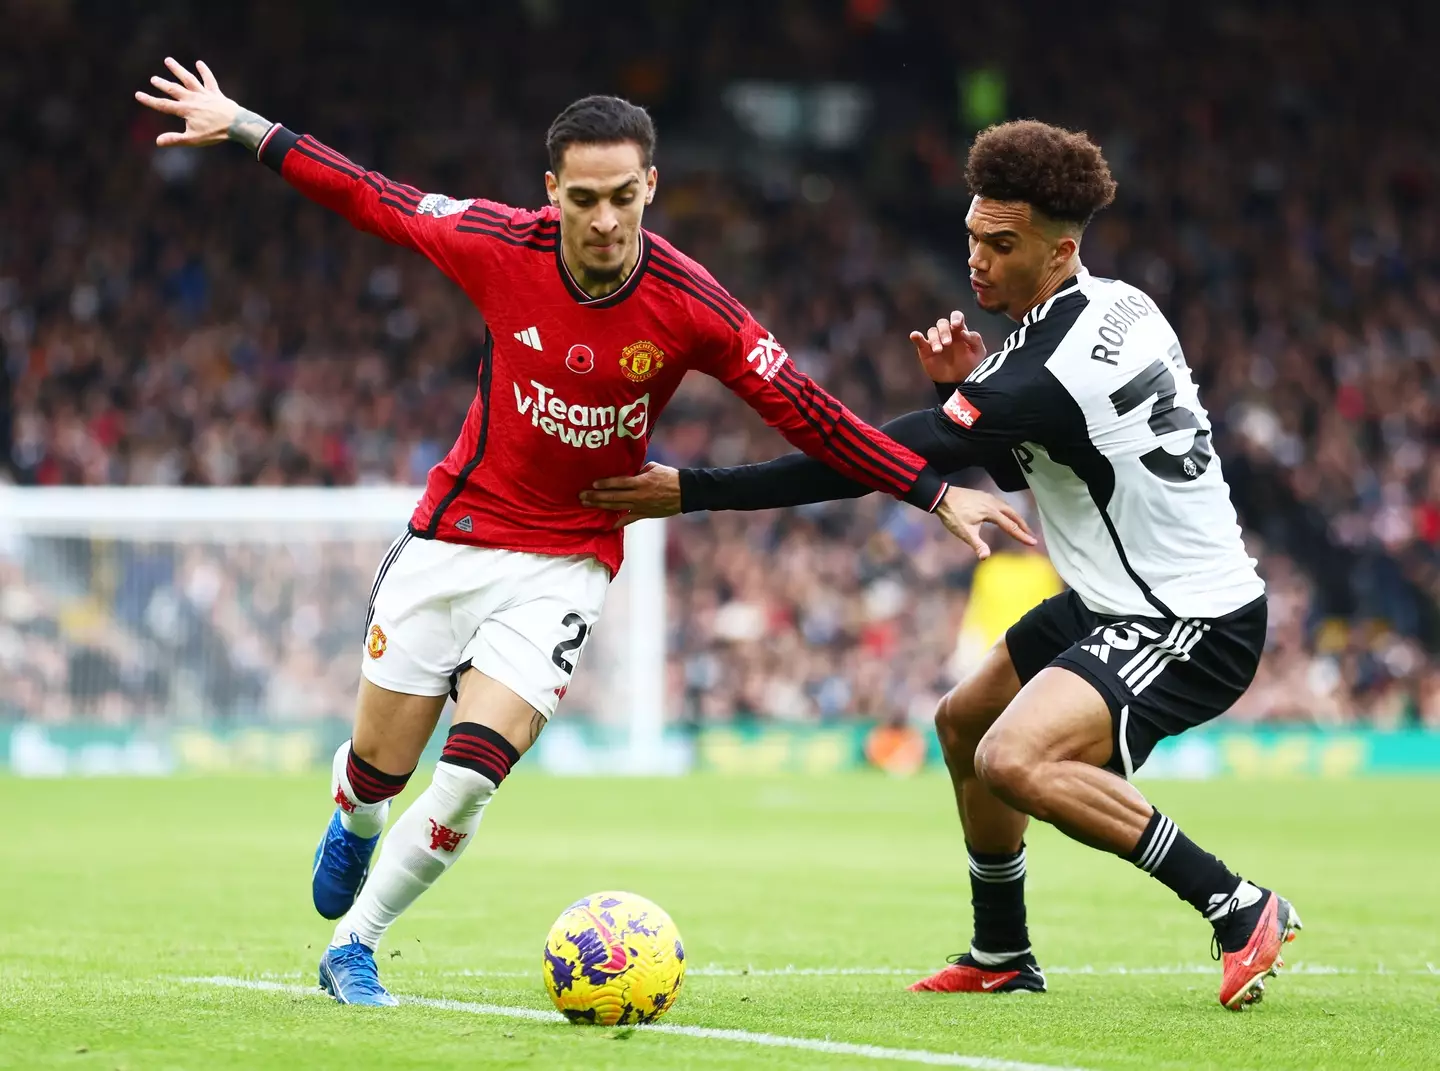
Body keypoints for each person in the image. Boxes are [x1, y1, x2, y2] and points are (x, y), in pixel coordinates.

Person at [135, 58, 1033, 1006]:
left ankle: (355, 946)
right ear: (553, 190)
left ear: (651, 186)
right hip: (452, 538)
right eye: (586, 199)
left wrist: (935, 492)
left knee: (475, 771)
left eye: (624, 197)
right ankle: (356, 820)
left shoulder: (693, 304)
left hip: (568, 558)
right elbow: (372, 196)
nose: (606, 221)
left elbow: (809, 412)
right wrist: (240, 124)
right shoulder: (495, 243)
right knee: (376, 771)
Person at [582, 120, 1300, 1011]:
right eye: (972, 236)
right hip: (1117, 599)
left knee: (1014, 757)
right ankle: (1001, 950)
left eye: (1002, 246)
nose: (978, 261)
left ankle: (1237, 905)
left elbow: (855, 458)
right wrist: (957, 395)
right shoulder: (1119, 306)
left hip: (1188, 619)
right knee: (964, 720)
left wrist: (691, 490)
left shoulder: (1037, 371)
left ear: (1059, 248)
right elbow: (1042, 456)